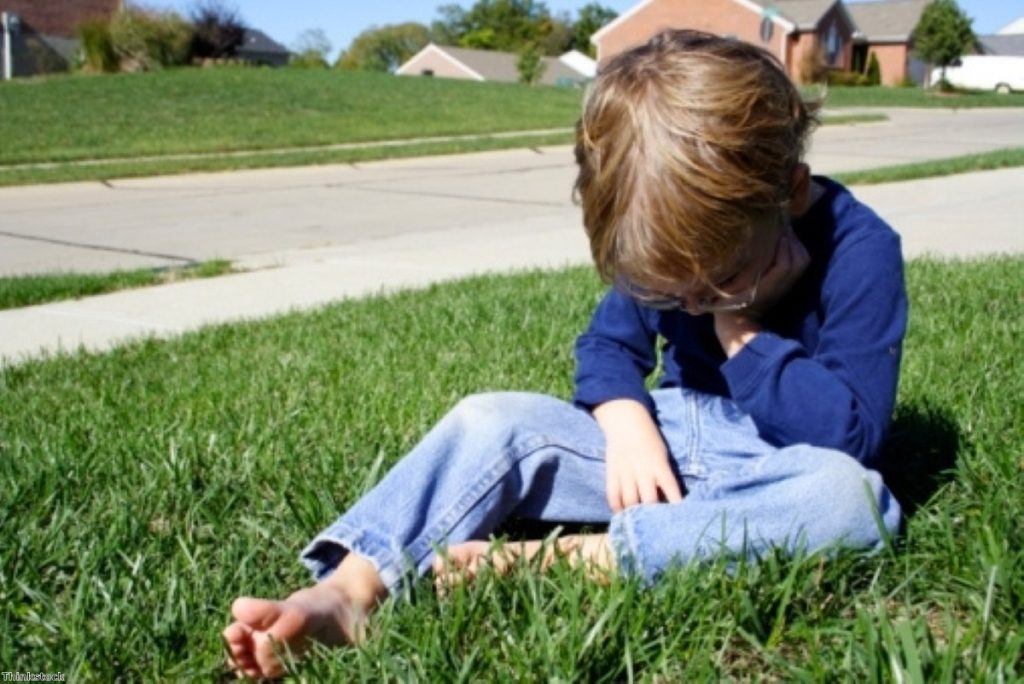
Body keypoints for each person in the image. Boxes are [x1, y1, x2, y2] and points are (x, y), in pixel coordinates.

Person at [224, 29, 906, 679]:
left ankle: (586, 558)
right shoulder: (672, 238)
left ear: (787, 192)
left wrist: (742, 328)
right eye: (669, 290)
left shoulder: (861, 251)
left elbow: (849, 437)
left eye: (722, 280)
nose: (693, 305)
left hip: (772, 462)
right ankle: (350, 588)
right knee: (492, 418)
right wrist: (625, 422)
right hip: (663, 443)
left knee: (853, 501)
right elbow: (609, 345)